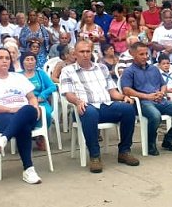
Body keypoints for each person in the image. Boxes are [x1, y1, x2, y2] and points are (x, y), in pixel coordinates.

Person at [59, 40, 139, 173]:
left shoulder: (101, 67)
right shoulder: (67, 71)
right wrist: (78, 102)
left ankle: (124, 151)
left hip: (106, 106)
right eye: (81, 52)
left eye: (87, 51)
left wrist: (123, 97)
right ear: (75, 54)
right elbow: (68, 95)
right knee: (89, 112)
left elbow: (112, 92)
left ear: (91, 52)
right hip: (85, 108)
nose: (85, 54)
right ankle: (95, 156)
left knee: (128, 109)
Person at [0, 47, 43, 184]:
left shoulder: (18, 77)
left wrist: (35, 107)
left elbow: (31, 97)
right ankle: (28, 169)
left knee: (28, 109)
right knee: (23, 127)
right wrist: (10, 110)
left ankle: (3, 139)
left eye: (7, 58)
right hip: (2, 116)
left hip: (26, 113)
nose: (5, 61)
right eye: (0, 58)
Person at [121, 42, 172, 155]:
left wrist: (162, 93)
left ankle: (168, 139)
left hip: (160, 99)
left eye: (146, 54)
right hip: (143, 102)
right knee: (155, 116)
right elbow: (126, 90)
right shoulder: (129, 71)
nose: (145, 57)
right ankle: (151, 143)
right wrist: (147, 96)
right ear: (133, 54)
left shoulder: (154, 69)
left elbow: (163, 84)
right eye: (141, 54)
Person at [20, 51, 56, 152]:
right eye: (27, 60)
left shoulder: (41, 74)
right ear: (23, 62)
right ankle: (26, 136)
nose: (30, 62)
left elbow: (52, 86)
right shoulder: (18, 76)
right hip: (24, 103)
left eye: (32, 59)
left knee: (47, 113)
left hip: (40, 101)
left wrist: (42, 95)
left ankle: (41, 136)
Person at [151, 9, 172, 74]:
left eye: (170, 17)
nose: (168, 19)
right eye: (166, 18)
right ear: (162, 19)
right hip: (161, 62)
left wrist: (171, 50)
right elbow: (154, 45)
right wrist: (164, 47)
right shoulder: (158, 30)